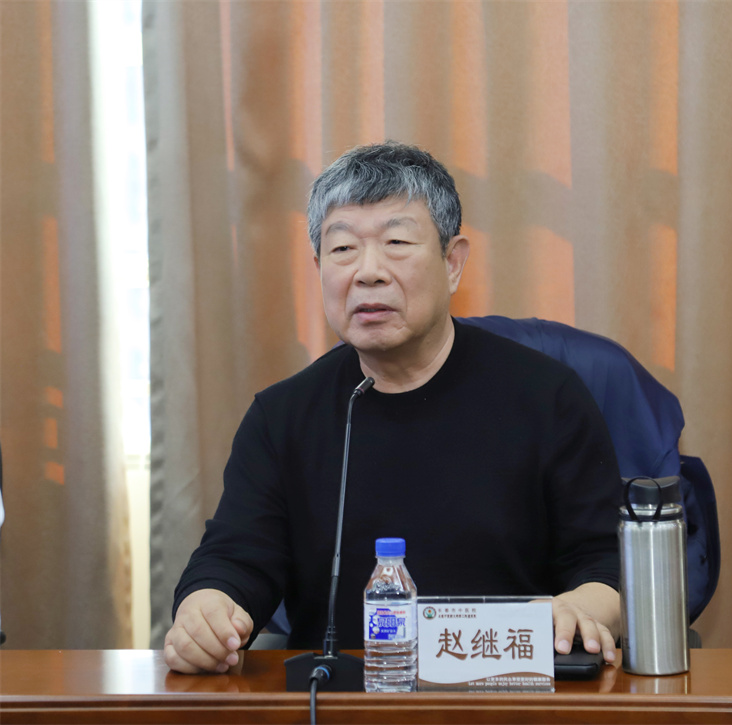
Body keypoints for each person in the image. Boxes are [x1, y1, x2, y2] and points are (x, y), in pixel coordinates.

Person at [165, 142, 622, 675]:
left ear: (453, 263)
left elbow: (608, 565)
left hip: (509, 692)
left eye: (397, 243)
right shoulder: (281, 417)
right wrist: (207, 608)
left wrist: (581, 608)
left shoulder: (547, 397)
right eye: (342, 249)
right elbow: (236, 558)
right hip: (338, 701)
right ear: (319, 268)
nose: (368, 272)